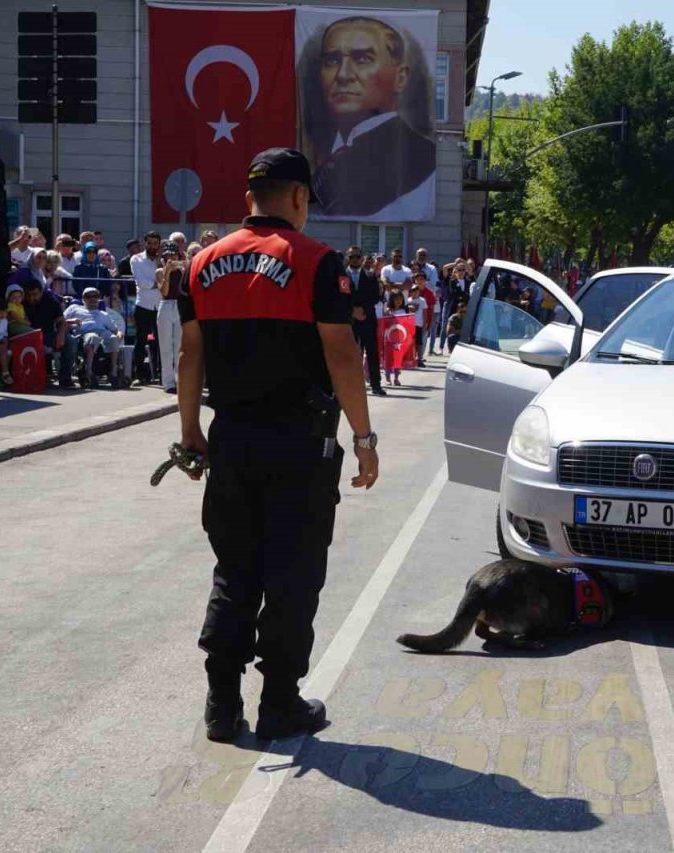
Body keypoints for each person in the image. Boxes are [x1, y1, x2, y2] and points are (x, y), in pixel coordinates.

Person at [176, 148, 378, 742]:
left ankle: (221, 705)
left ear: (248, 200)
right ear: (299, 198)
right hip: (298, 445)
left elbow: (191, 356)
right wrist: (364, 438)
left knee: (235, 569)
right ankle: (280, 703)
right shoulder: (317, 263)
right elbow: (342, 354)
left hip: (232, 440)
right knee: (293, 573)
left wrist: (189, 430)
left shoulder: (202, 263)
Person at [298, 15, 436, 219]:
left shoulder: (420, 155)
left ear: (400, 77)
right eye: (332, 61)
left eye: (362, 59)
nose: (343, 75)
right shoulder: (325, 154)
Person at [344, 245, 385, 396]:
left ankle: (376, 385)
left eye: (357, 256)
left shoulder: (371, 275)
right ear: (347, 259)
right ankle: (351, 386)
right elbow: (339, 298)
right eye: (351, 257)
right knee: (353, 354)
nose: (355, 259)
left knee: (372, 352)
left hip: (368, 318)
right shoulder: (342, 276)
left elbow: (375, 297)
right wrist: (353, 311)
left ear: (362, 258)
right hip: (350, 320)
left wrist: (363, 310)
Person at [64, 287, 124, 388]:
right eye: (88, 296)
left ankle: (113, 372)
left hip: (102, 333)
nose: (92, 299)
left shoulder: (103, 314)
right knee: (93, 337)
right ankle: (88, 372)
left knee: (113, 338)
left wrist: (119, 334)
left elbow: (115, 330)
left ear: (99, 299)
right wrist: (72, 322)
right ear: (83, 299)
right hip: (84, 333)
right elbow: (61, 320)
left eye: (95, 296)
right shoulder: (75, 308)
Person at [22, 280, 77, 388]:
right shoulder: (20, 301)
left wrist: (61, 335)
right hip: (26, 336)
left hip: (46, 335)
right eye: (28, 295)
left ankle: (65, 379)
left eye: (35, 294)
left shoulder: (50, 301)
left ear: (41, 292)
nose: (32, 298)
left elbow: (62, 322)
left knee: (70, 341)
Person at [130, 232, 164, 384]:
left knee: (160, 342)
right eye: (149, 243)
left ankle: (160, 374)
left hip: (160, 306)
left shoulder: (163, 261)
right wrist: (159, 284)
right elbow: (143, 283)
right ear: (145, 243)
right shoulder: (136, 259)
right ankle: (140, 374)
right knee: (140, 341)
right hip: (143, 305)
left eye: (155, 243)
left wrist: (159, 265)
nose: (152, 246)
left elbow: (168, 280)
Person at [156, 248, 187, 394]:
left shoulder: (183, 270)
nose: (171, 258)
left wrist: (183, 268)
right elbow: (164, 292)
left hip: (179, 305)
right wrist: (167, 271)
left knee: (179, 347)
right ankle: (168, 382)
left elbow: (185, 290)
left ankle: (178, 379)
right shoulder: (160, 272)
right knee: (166, 346)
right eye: (168, 255)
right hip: (166, 305)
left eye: (173, 255)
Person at [382, 289, 409, 385]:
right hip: (389, 338)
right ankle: (387, 377)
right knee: (388, 358)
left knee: (398, 358)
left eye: (400, 299)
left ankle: (396, 377)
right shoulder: (388, 310)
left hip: (400, 339)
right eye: (396, 299)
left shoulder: (404, 310)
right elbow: (384, 322)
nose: (399, 301)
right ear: (392, 300)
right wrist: (387, 314)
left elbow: (407, 324)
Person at [407, 271, 428, 367]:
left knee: (419, 343)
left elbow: (424, 313)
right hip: (410, 325)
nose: (415, 292)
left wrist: (424, 324)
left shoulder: (422, 301)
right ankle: (411, 358)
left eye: (416, 290)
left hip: (418, 324)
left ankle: (419, 358)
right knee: (410, 342)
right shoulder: (408, 301)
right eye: (413, 290)